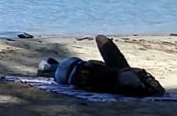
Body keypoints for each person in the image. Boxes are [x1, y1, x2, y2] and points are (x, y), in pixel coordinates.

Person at [37, 36, 165, 96]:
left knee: (56, 68)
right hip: (70, 74)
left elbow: (100, 39)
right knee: (55, 69)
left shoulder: (119, 71)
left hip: (71, 69)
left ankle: (49, 67)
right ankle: (50, 67)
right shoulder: (112, 84)